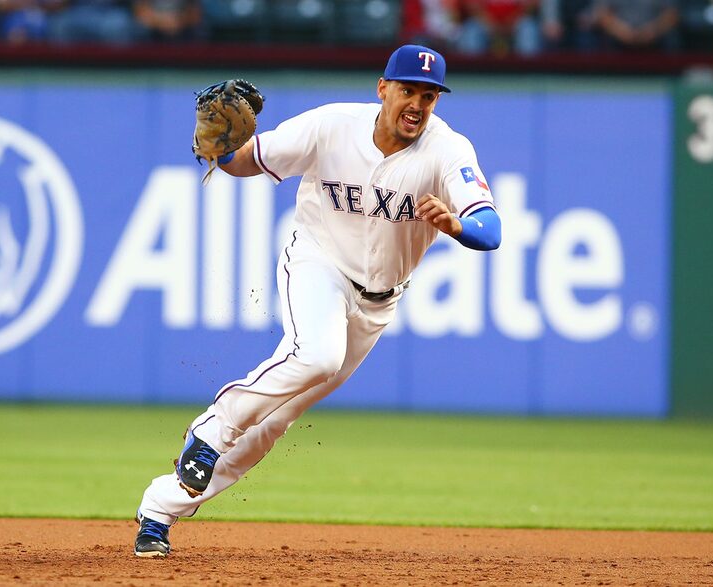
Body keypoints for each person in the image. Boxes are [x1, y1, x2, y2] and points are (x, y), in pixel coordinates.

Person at [133, 44, 502, 558]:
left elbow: (491, 230)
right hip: (317, 262)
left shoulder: (448, 150)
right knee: (316, 355)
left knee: (273, 425)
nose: (418, 103)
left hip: (377, 305)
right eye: (408, 90)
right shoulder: (331, 125)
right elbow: (248, 161)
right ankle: (212, 429)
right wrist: (219, 152)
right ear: (382, 88)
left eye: (429, 95)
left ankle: (159, 509)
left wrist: (459, 224)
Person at [587, 0, 680, 52]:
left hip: (655, 38)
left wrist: (652, 31)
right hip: (618, 39)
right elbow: (602, 13)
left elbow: (672, 14)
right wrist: (623, 32)